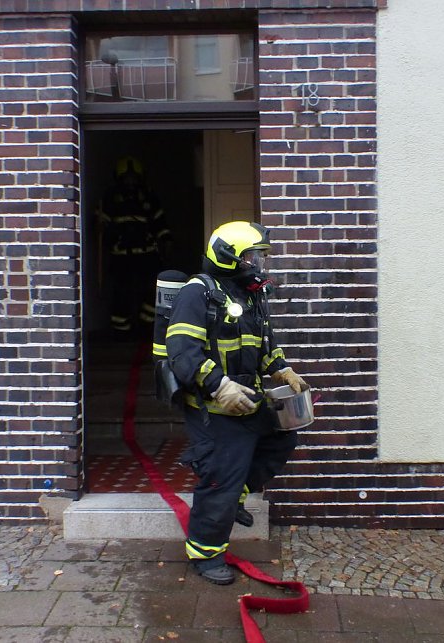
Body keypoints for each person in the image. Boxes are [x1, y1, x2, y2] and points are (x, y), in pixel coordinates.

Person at [165, 221, 307, 585]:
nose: (258, 262)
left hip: (248, 399)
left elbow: (264, 346)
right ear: (229, 257)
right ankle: (205, 554)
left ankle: (236, 497)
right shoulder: (198, 293)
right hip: (216, 406)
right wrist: (219, 386)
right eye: (251, 255)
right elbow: (183, 352)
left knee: (281, 440)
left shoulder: (251, 294)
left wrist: (283, 370)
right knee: (221, 479)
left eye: (260, 255)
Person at [97, 156, 171, 337]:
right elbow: (101, 226)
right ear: (119, 178)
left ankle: (147, 328)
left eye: (134, 177)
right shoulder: (110, 198)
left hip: (147, 255)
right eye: (126, 178)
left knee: (151, 291)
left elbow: (160, 224)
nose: (131, 182)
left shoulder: (149, 197)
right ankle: (121, 332)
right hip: (121, 256)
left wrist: (167, 242)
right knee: (121, 294)